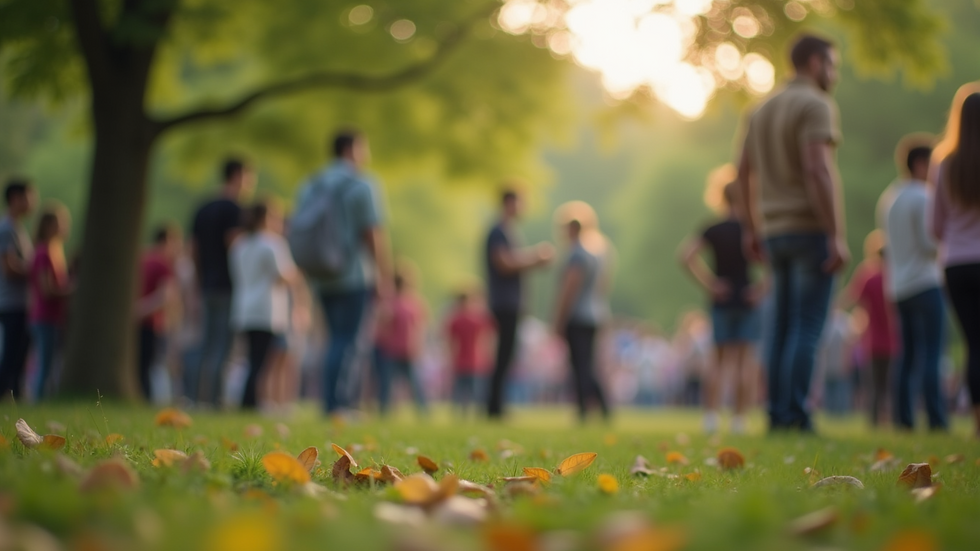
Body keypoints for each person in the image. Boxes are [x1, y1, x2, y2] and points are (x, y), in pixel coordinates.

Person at [735, 34, 849, 432]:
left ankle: (776, 414)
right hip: (809, 228)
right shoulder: (816, 104)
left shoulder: (760, 109)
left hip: (773, 233)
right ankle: (796, 415)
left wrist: (750, 228)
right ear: (816, 63)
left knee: (779, 327)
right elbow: (817, 169)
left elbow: (740, 173)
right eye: (832, 64)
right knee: (807, 325)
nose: (834, 73)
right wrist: (836, 233)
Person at [298, 130, 392, 415]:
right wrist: (383, 276)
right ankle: (338, 404)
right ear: (353, 149)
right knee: (348, 339)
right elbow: (373, 233)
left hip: (321, 272)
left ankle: (331, 402)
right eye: (364, 148)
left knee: (333, 338)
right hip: (352, 273)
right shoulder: (362, 184)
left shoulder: (312, 184)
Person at [679, 166, 765, 434]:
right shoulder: (753, 230)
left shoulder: (713, 228)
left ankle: (711, 417)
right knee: (744, 360)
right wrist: (760, 289)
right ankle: (740, 419)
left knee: (717, 360)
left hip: (721, 299)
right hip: (747, 299)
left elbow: (685, 256)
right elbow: (775, 264)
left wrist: (711, 284)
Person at [878, 139, 948, 430]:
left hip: (897, 285)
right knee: (932, 351)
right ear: (920, 164)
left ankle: (903, 418)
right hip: (924, 281)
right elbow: (930, 242)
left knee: (905, 355)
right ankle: (935, 418)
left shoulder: (890, 197)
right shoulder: (923, 196)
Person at [931, 83, 980, 436]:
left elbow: (935, 226)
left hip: (956, 265)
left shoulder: (944, 162)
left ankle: (978, 425)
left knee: (973, 345)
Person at [485, 189, 554, 419]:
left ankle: (496, 404)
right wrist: (535, 258)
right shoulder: (498, 231)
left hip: (510, 302)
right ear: (508, 203)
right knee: (504, 353)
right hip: (504, 302)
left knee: (508, 353)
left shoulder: (509, 232)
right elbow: (503, 262)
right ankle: (494, 406)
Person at [189, 158, 253, 407]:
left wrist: (198, 279)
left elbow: (193, 249)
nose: (250, 184)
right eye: (249, 178)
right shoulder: (235, 209)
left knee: (205, 344)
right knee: (223, 345)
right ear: (237, 176)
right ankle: (215, 401)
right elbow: (234, 245)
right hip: (228, 286)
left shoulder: (202, 208)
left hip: (207, 285)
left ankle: (195, 397)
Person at [229, 200, 300, 410]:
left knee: (252, 357)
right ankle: (250, 402)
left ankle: (248, 400)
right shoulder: (273, 243)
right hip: (266, 308)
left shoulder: (239, 244)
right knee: (261, 360)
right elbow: (284, 276)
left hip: (243, 307)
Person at [553, 201, 611, 422]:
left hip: (578, 316)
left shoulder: (576, 254)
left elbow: (569, 289)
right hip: (595, 314)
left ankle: (584, 408)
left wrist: (558, 319)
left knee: (580, 365)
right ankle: (602, 407)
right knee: (588, 363)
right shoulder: (598, 254)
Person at [840, 231, 899, 427]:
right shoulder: (896, 277)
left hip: (872, 341)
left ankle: (874, 423)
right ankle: (894, 421)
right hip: (894, 341)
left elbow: (851, 298)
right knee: (890, 386)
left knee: (873, 387)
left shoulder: (868, 276)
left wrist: (832, 307)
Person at [135, 224, 182, 401]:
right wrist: (141, 310)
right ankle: (147, 401)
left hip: (136, 325)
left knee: (140, 368)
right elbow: (166, 297)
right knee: (150, 370)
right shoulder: (164, 263)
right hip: (151, 323)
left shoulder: (141, 257)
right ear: (168, 240)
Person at [30, 205, 72, 400]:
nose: (64, 226)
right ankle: (37, 401)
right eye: (60, 222)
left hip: (53, 317)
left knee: (50, 364)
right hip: (44, 317)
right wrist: (72, 290)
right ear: (48, 226)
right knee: (45, 366)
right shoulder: (44, 252)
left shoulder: (56, 251)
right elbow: (46, 289)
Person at [374, 268, 428, 416]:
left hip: (398, 350)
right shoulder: (410, 303)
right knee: (403, 384)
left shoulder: (398, 303)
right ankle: (420, 411)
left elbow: (419, 328)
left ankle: (386, 411)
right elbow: (420, 328)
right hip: (398, 350)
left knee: (403, 384)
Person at [0, 179, 36, 400]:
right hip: (11, 302)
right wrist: (37, 272)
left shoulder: (18, 228)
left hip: (21, 302)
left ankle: (15, 395)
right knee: (12, 354)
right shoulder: (7, 228)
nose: (33, 201)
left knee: (20, 354)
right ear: (15, 198)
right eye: (29, 196)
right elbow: (9, 267)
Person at [445, 289, 495, 415]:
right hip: (476, 360)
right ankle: (479, 414)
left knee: (459, 391)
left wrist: (451, 358)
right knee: (476, 392)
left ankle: (459, 414)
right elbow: (486, 339)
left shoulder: (455, 320)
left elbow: (451, 342)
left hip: (460, 360)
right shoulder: (479, 319)